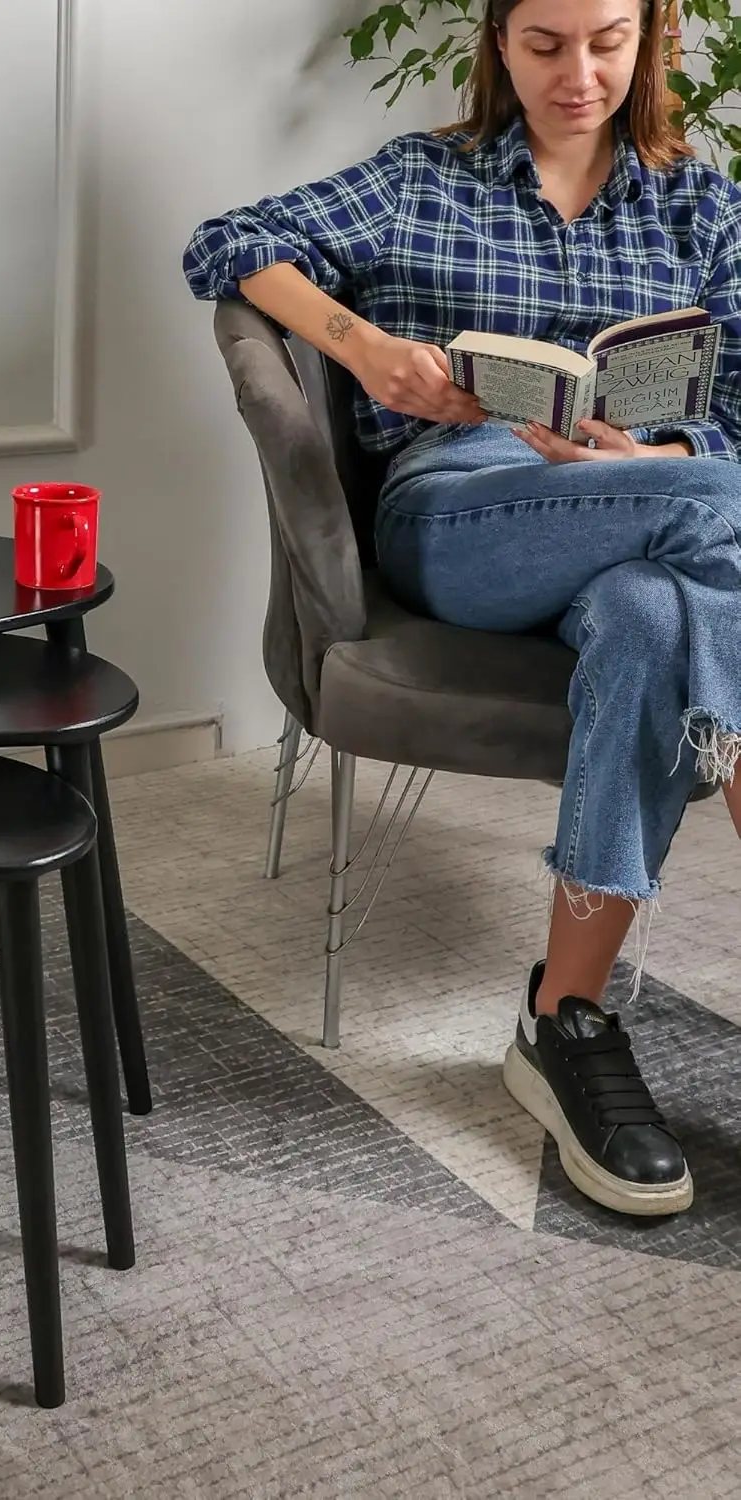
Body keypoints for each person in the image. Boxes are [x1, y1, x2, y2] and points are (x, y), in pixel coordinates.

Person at [184, 0, 741, 1218]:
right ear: (498, 43)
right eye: (545, 43)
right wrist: (370, 350)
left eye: (605, 40)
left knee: (656, 612)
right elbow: (224, 243)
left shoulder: (703, 208)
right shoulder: (423, 182)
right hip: (465, 519)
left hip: (651, 516)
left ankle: (565, 1024)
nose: (578, 72)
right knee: (718, 504)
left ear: (651, 38)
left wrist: (645, 452)